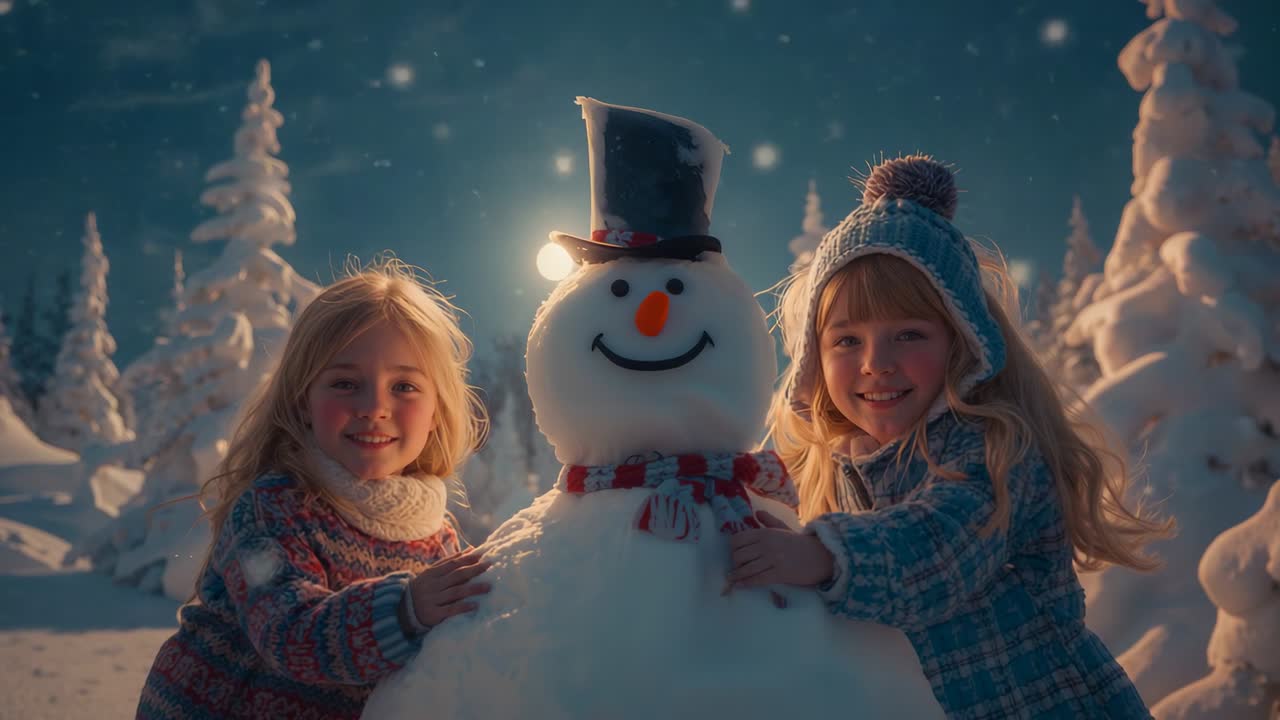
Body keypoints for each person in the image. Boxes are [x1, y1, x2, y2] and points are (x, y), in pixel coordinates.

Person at [725, 155, 1175, 718]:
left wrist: (818, 557)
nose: (875, 364)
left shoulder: (995, 451)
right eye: (846, 341)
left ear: (962, 342)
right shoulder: (840, 467)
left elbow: (935, 551)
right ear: (814, 358)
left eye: (908, 334)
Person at [137, 257, 491, 719]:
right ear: (304, 402)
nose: (374, 407)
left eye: (404, 386)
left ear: (436, 413)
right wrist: (406, 608)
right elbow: (291, 634)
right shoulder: (272, 510)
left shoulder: (435, 537)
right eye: (345, 383)